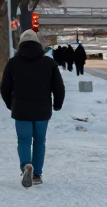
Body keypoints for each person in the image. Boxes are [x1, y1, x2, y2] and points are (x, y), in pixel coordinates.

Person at [1, 30, 65, 187]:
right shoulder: (49, 63)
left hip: (21, 108)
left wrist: (11, 104)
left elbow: (4, 88)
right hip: (42, 109)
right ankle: (36, 174)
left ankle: (26, 166)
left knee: (24, 140)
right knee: (40, 141)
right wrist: (57, 104)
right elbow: (59, 87)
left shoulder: (13, 63)